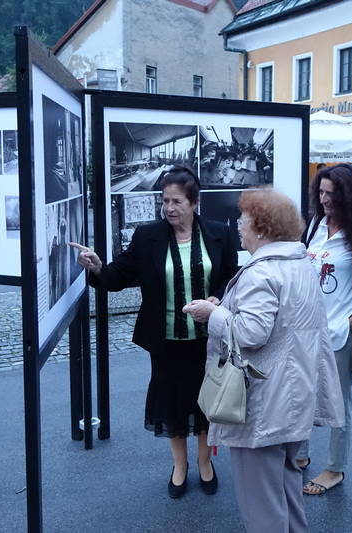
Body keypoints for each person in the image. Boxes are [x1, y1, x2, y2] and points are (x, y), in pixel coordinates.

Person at [71, 166, 238, 498]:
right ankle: (180, 465)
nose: (169, 208)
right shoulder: (148, 236)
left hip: (208, 340)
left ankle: (205, 462)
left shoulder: (219, 233)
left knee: (208, 402)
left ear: (194, 203)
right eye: (165, 201)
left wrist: (218, 298)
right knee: (172, 403)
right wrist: (98, 268)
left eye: (177, 201)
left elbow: (231, 276)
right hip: (166, 341)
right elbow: (119, 275)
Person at [183, 189, 344, 533]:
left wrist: (212, 313)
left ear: (261, 227)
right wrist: (226, 308)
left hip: (263, 403)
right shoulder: (300, 264)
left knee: (262, 504)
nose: (238, 226)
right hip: (293, 396)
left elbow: (250, 333)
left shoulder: (262, 272)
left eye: (243, 219)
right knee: (287, 488)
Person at [296, 163, 352, 495]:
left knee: (338, 401)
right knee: (303, 392)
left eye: (331, 193)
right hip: (307, 328)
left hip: (341, 329)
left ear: (348, 195)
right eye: (321, 192)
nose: (324, 199)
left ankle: (335, 468)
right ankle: (300, 454)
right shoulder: (315, 225)